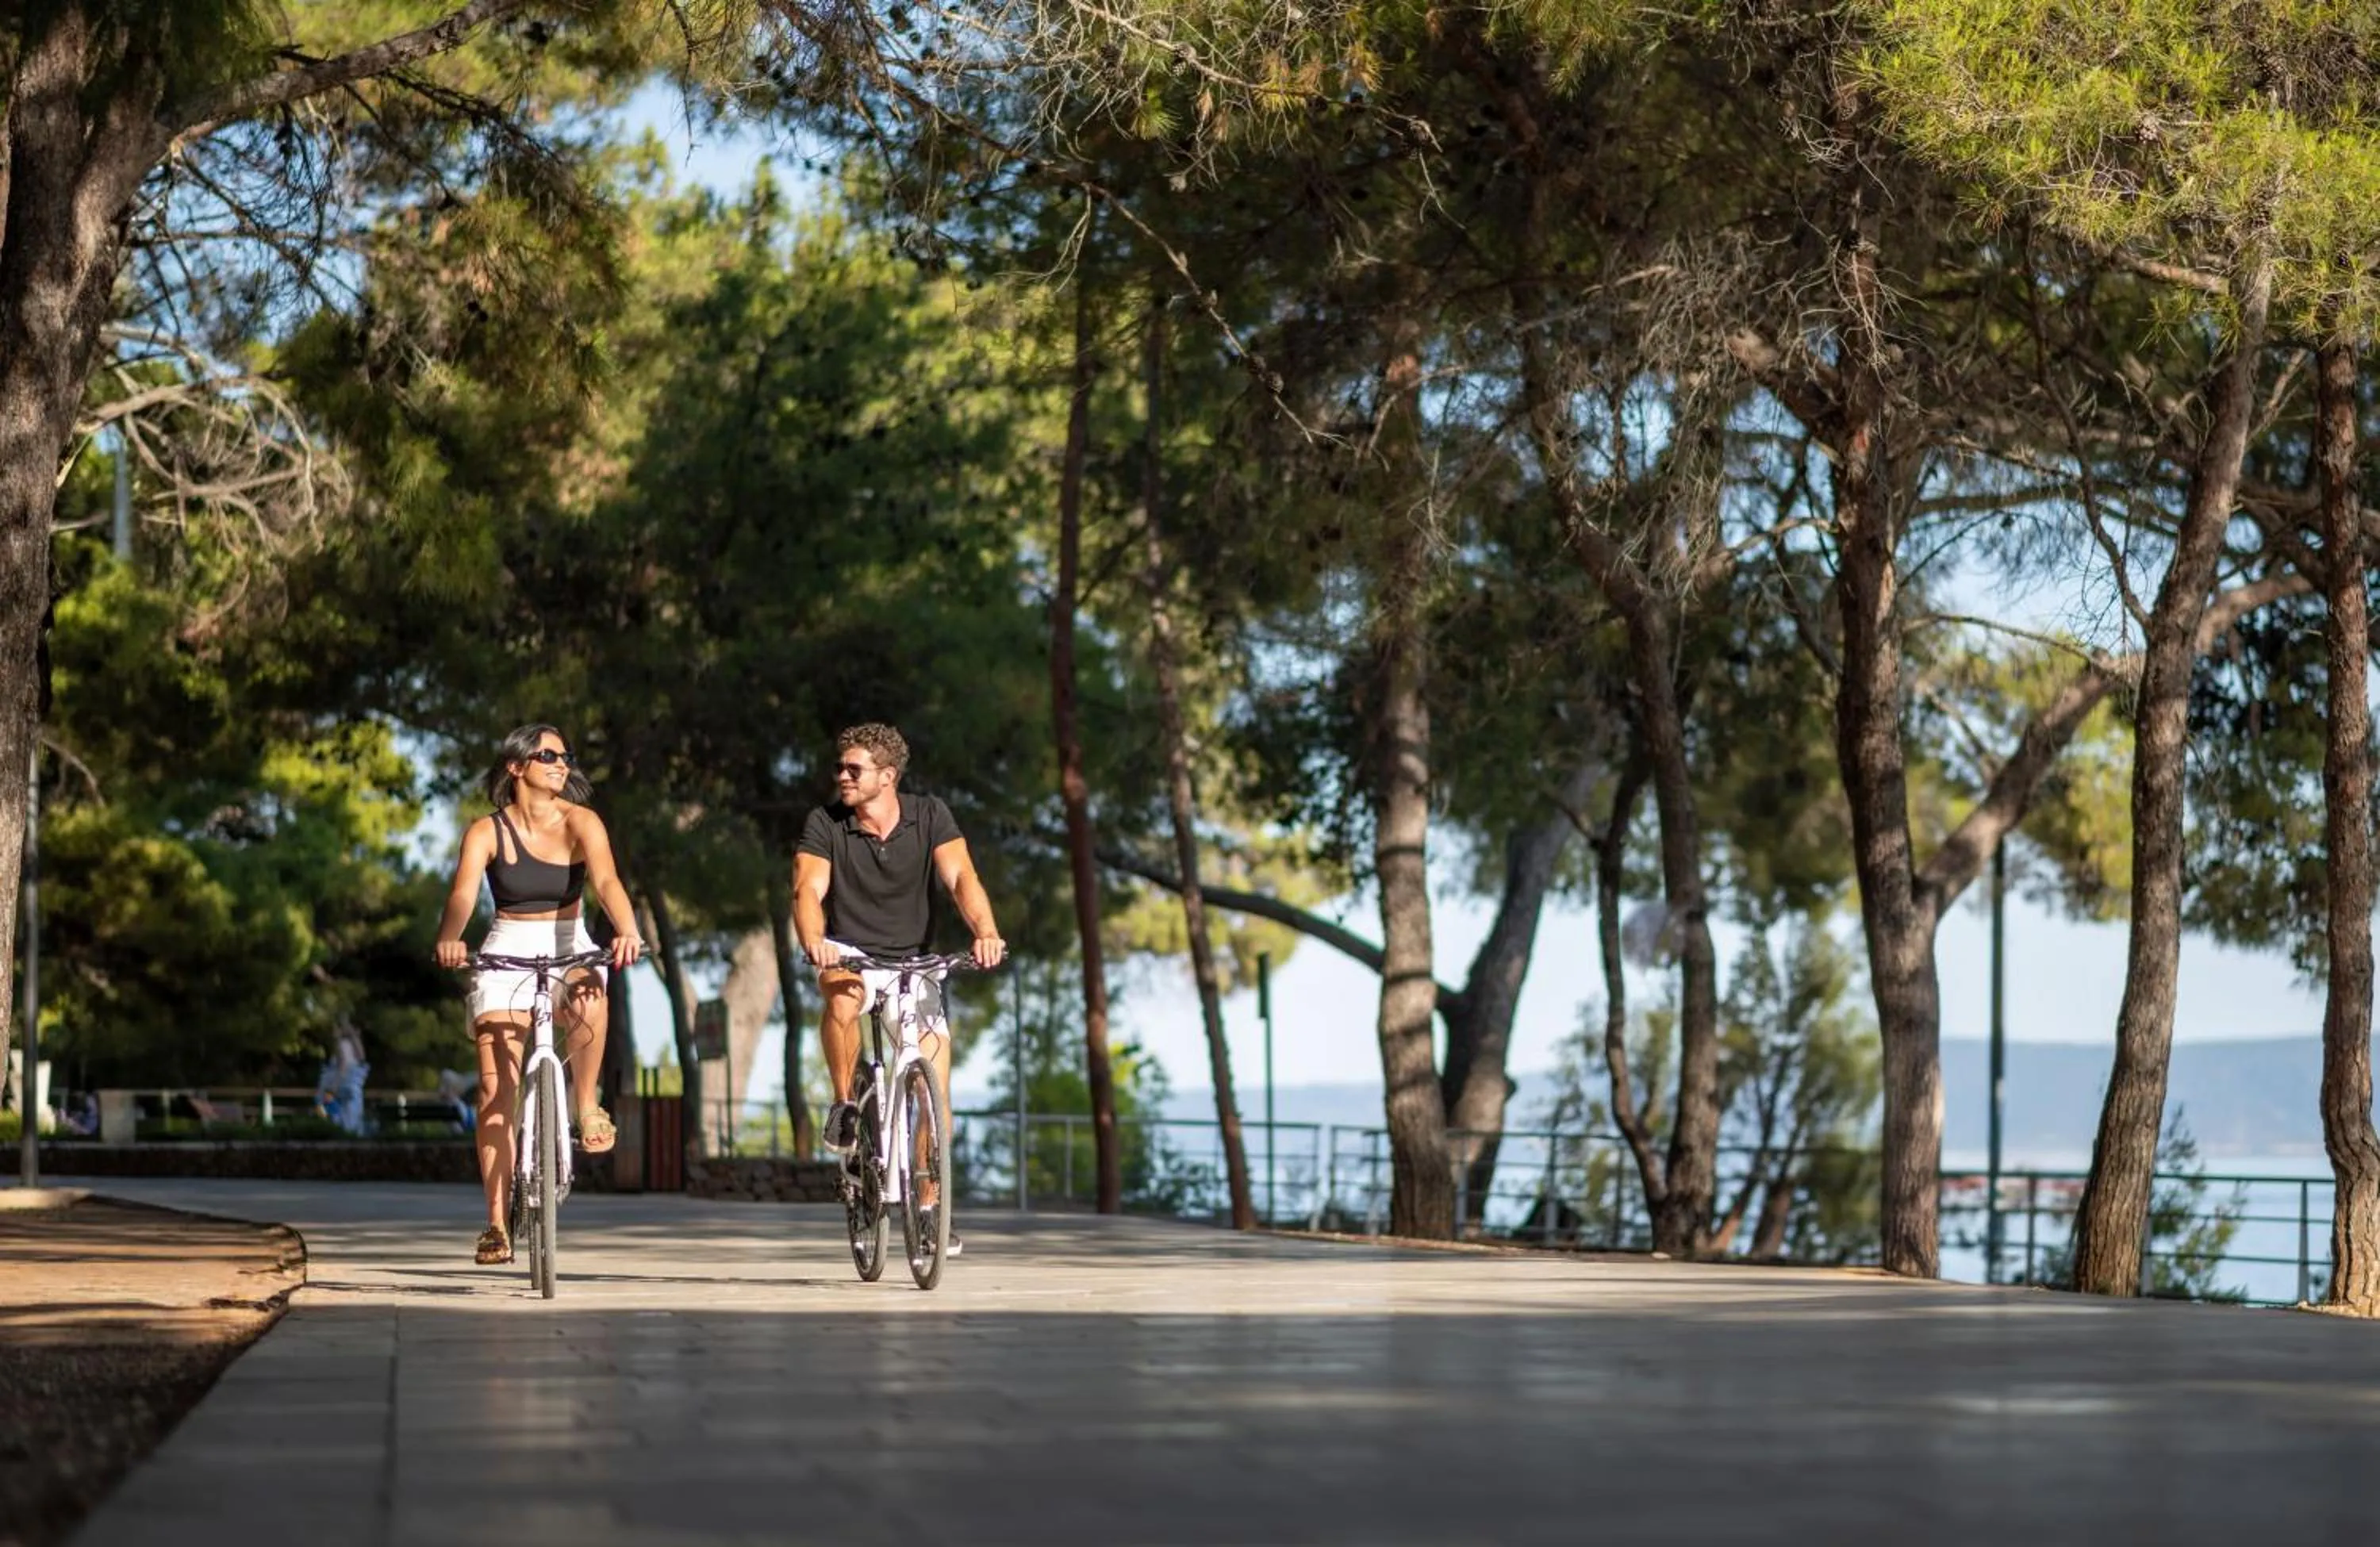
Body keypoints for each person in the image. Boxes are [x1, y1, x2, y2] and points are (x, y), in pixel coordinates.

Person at [436, 724, 643, 1265]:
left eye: (565, 756)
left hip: (568, 941)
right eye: (548, 755)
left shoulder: (581, 821)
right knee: (494, 1089)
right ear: (516, 766)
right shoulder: (486, 832)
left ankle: (586, 1104)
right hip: (507, 946)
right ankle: (496, 1224)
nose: (561, 764)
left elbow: (607, 883)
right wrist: (450, 938)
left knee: (590, 995)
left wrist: (627, 929)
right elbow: (463, 893)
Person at [794, 723, 1004, 1253]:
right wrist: (815, 941)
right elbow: (808, 890)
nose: (842, 776)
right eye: (840, 767)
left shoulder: (929, 816)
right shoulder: (826, 823)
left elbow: (961, 878)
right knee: (842, 998)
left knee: (936, 1090)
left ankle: (929, 1210)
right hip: (850, 956)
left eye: (854, 769)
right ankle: (845, 1105)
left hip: (915, 962)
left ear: (887, 777)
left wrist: (985, 932)